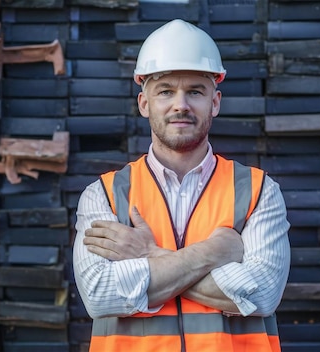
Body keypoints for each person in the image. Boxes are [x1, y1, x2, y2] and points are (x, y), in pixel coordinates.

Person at [72, 18, 291, 352]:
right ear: (144, 103)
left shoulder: (258, 192)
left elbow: (261, 295)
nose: (181, 105)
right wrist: (214, 253)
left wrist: (148, 256)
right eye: (165, 91)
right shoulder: (103, 195)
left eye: (195, 91)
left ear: (215, 102)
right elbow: (100, 295)